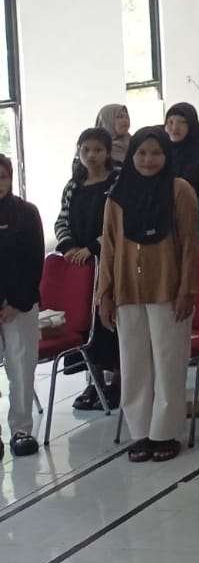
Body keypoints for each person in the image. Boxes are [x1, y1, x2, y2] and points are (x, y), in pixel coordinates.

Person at [96, 128, 199, 463]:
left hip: (168, 289)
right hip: (127, 289)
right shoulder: (117, 195)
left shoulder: (179, 190)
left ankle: (165, 432)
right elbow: (109, 247)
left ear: (166, 156)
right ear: (131, 156)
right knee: (133, 362)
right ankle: (140, 431)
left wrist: (188, 290)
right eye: (141, 153)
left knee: (169, 361)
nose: (148, 160)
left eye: (156, 153)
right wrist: (104, 294)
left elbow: (190, 245)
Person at [55, 128, 123, 410]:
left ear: (107, 152)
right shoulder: (73, 185)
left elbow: (119, 224)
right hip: (80, 267)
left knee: (110, 325)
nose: (91, 156)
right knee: (85, 325)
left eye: (97, 150)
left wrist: (94, 248)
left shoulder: (117, 180)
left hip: (110, 263)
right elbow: (61, 221)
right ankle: (94, 382)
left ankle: (118, 382)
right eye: (86, 150)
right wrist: (69, 247)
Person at [0, 153, 45, 458]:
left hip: (21, 304)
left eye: (2, 176)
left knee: (21, 368)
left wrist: (17, 302)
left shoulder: (26, 213)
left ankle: (21, 430)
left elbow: (35, 261)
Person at [164, 103, 199, 192]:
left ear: (192, 125)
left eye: (182, 122)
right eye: (170, 122)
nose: (175, 128)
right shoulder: (161, 150)